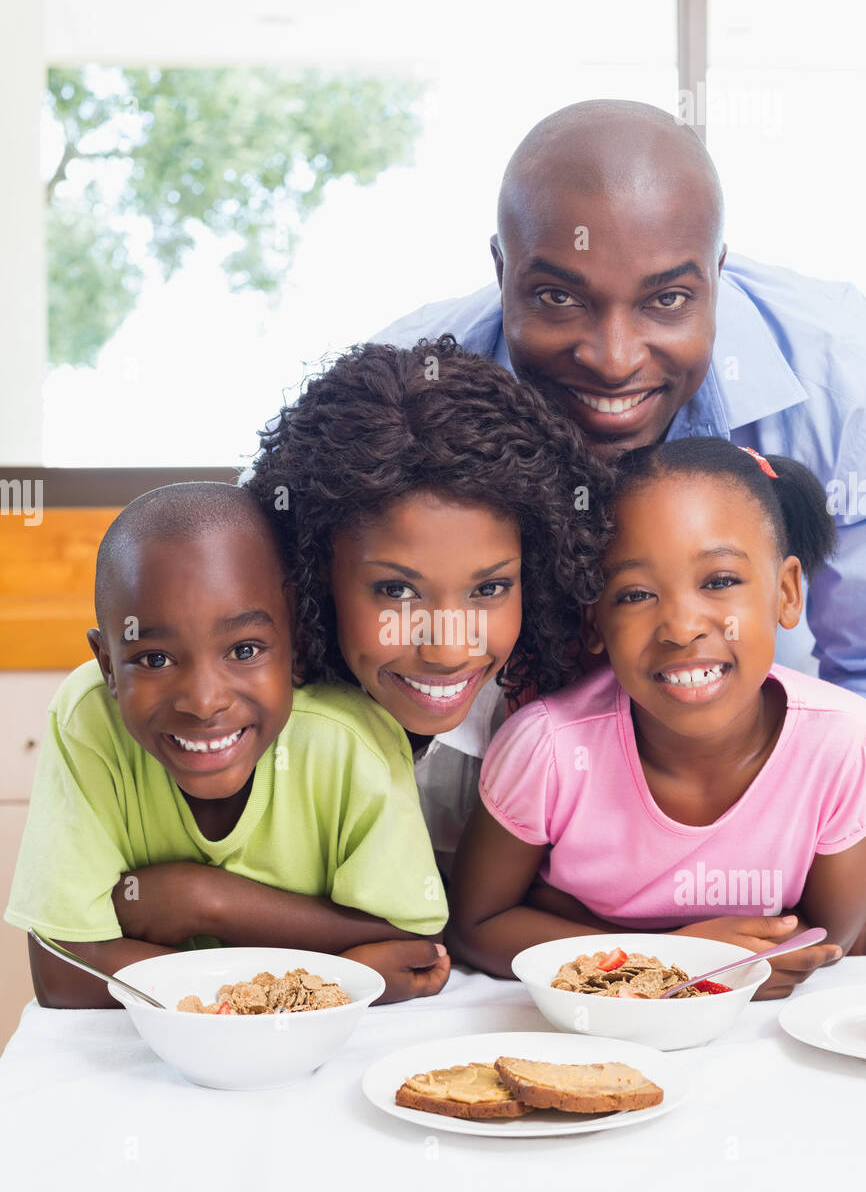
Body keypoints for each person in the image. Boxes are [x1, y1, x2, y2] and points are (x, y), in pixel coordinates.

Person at [374, 99, 866, 694]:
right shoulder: (402, 389)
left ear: (719, 272)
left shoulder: (840, 382)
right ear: (501, 271)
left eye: (667, 300)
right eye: (558, 297)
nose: (614, 362)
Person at [448, 439, 866, 999]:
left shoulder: (839, 741)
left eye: (719, 581)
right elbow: (475, 928)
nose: (681, 626)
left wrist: (574, 925)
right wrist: (674, 961)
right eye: (636, 594)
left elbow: (831, 938)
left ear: (787, 592)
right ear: (594, 622)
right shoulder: (549, 749)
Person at [5, 482, 450, 1007]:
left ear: (298, 649)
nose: (203, 701)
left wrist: (207, 902)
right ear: (107, 666)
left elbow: (412, 950)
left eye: (244, 650)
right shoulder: (88, 722)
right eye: (154, 659)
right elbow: (64, 976)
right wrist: (320, 972)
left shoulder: (351, 742)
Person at [247, 335, 615, 873]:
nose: (446, 649)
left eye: (489, 590)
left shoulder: (558, 737)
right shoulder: (249, 718)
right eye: (397, 591)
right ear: (314, 575)